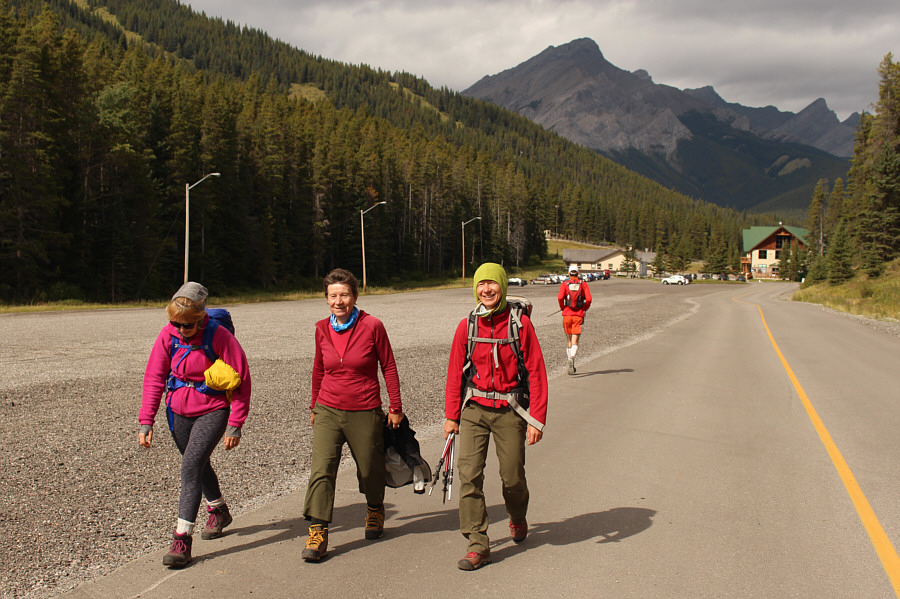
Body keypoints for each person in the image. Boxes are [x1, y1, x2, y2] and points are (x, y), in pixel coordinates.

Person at [444, 262, 548, 571]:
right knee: (469, 475)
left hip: (510, 411)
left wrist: (536, 419)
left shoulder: (521, 325)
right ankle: (478, 544)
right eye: (481, 284)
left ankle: (517, 515)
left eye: (492, 283)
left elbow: (537, 372)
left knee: (512, 477)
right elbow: (454, 373)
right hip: (474, 410)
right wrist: (452, 416)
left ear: (502, 286)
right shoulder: (467, 326)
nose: (487, 289)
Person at [139, 282, 251, 568]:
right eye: (175, 324)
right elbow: (154, 377)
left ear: (200, 318)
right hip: (177, 410)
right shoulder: (168, 334)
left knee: (190, 466)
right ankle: (219, 510)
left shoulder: (219, 335)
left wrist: (235, 422)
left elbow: (241, 379)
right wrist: (146, 420)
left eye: (186, 325)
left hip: (212, 409)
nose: (180, 330)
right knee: (197, 463)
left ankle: (181, 540)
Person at [302, 268, 404, 562]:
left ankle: (374, 509)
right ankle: (318, 531)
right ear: (326, 298)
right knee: (322, 469)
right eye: (333, 296)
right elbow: (318, 369)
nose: (339, 301)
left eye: (344, 295)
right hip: (328, 409)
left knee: (370, 469)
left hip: (365, 409)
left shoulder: (372, 326)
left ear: (355, 297)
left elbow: (388, 366)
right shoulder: (322, 328)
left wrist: (395, 407)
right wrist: (314, 405)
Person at [557, 265, 592, 375]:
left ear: (569, 273)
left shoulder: (564, 284)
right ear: (578, 273)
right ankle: (572, 357)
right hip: (578, 315)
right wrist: (585, 307)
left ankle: (569, 360)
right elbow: (589, 299)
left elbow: (560, 297)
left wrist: (562, 307)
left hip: (567, 314)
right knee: (575, 340)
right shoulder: (583, 284)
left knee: (568, 340)